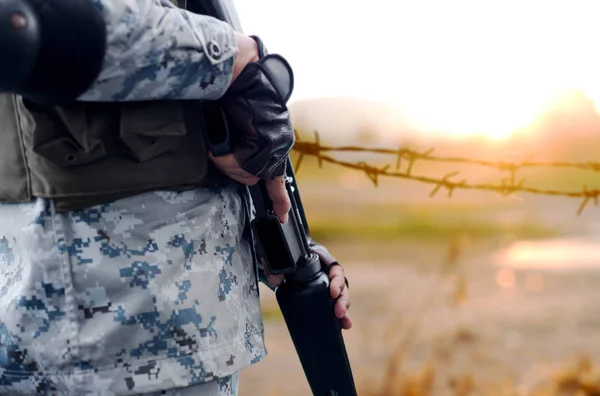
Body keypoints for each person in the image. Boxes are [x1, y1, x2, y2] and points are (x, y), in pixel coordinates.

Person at [0, 0, 352, 395]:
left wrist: (276, 243)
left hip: (171, 327)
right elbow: (20, 26)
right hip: (106, 341)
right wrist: (231, 57)